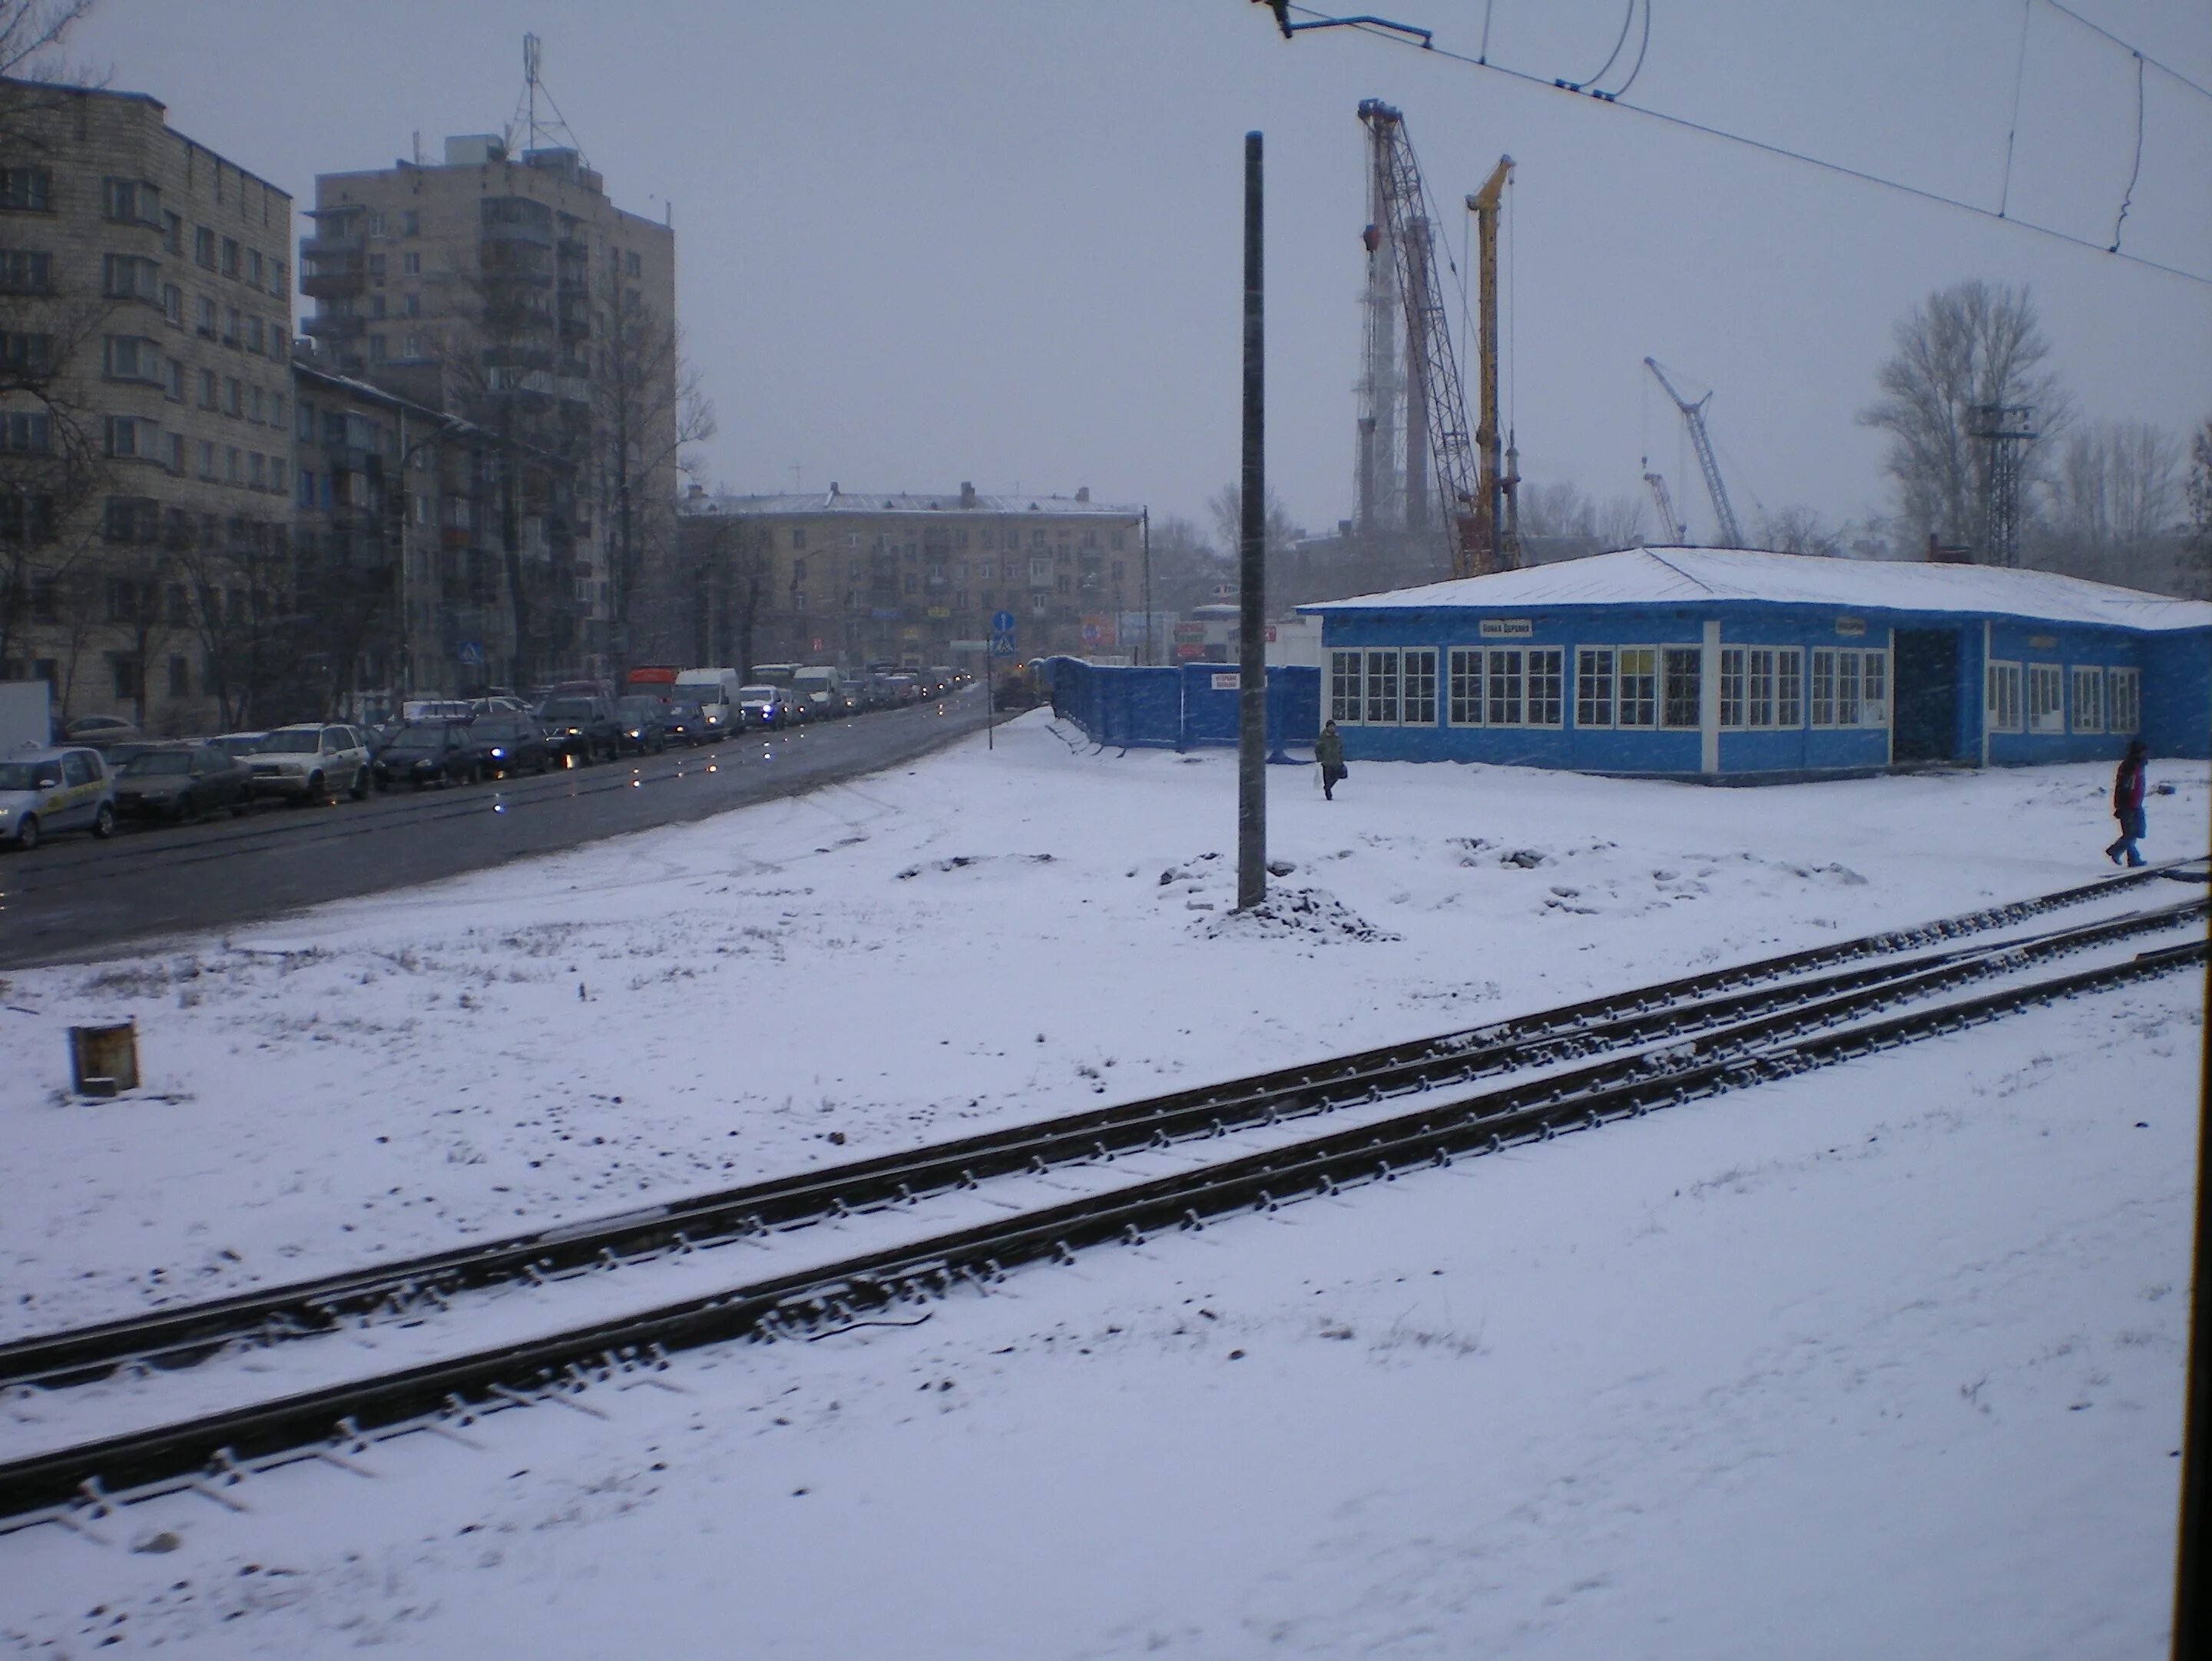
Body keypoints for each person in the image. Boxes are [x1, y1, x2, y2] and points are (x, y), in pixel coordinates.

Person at [2105, 739, 2148, 867]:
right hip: (2128, 804)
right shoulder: (2130, 766)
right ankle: (2116, 851)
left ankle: (2132, 858)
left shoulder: (2138, 765)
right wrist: (2125, 804)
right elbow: (2124, 787)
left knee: (2137, 831)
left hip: (2134, 803)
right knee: (2131, 833)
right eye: (2144, 751)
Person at [1315, 718, 1346, 801]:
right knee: (1328, 779)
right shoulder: (1323, 738)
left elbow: (1340, 749)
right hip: (1326, 762)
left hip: (1336, 761)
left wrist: (1341, 759)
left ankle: (1327, 788)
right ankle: (1328, 794)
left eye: (1333, 727)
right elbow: (1318, 749)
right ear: (1327, 728)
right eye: (1330, 727)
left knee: (1336, 776)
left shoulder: (1336, 737)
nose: (1332, 728)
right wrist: (1320, 759)